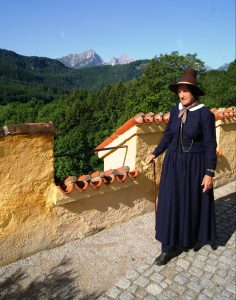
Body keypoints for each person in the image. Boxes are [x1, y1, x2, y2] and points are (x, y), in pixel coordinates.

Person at [145, 68, 217, 265]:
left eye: (185, 90)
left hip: (195, 165)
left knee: (191, 203)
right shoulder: (175, 110)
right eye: (179, 91)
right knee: (169, 203)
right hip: (173, 164)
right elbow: (168, 135)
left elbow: (211, 145)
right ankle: (167, 248)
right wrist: (155, 152)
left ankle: (190, 238)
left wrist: (209, 172)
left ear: (194, 92)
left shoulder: (205, 115)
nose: (181, 94)